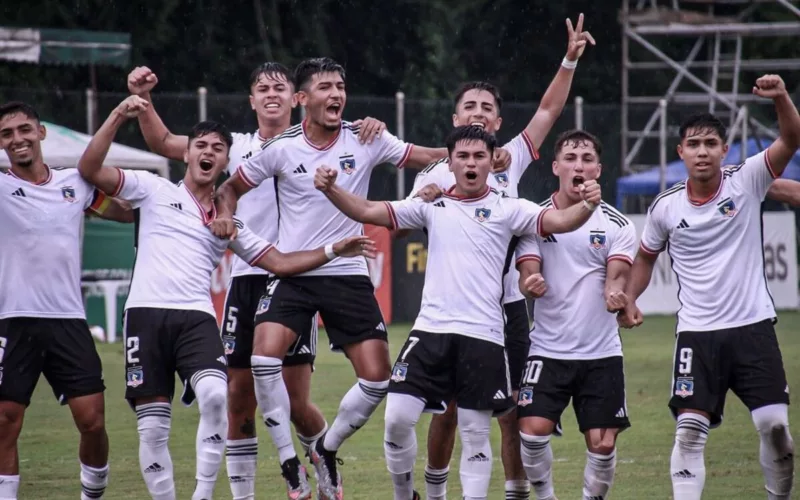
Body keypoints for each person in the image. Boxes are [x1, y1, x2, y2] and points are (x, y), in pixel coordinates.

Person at [77, 95, 375, 500]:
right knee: (153, 425)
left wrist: (333, 250)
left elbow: (282, 263)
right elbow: (89, 169)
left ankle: (205, 495)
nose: (208, 152)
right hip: (145, 316)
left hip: (197, 319)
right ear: (188, 154)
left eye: (217, 149)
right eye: (200, 145)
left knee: (220, 397)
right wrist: (117, 115)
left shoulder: (228, 224)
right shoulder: (151, 189)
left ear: (225, 163)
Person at [314, 125, 603, 500]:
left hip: (483, 336)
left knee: (474, 433)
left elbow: (561, 221)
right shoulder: (431, 206)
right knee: (397, 419)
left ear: (490, 162)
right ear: (449, 163)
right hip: (429, 331)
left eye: (479, 156)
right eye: (462, 156)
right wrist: (331, 189)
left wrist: (589, 204)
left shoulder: (510, 209)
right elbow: (370, 210)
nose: (470, 162)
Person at [211, 56, 452, 500]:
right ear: (302, 98)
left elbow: (426, 157)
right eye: (325, 87)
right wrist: (225, 216)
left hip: (347, 271)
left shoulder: (366, 137)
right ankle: (289, 464)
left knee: (379, 379)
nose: (336, 94)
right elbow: (228, 188)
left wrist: (462, 158)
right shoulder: (281, 147)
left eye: (340, 86)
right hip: (297, 270)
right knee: (263, 360)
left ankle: (325, 447)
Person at [407, 14, 595, 500]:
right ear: (454, 120)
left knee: (510, 408)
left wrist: (568, 59)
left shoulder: (513, 153)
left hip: (507, 309)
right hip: (455, 309)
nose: (477, 111)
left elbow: (550, 109)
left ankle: (515, 491)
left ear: (498, 121)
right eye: (468, 105)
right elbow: (428, 217)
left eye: (486, 107)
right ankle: (435, 491)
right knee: (447, 409)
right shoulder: (436, 172)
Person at [619, 74, 799, 500]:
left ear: (724, 149)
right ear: (680, 151)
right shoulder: (666, 207)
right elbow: (645, 257)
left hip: (754, 329)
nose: (702, 152)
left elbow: (791, 138)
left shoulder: (748, 179)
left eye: (711, 144)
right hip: (697, 336)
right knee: (689, 433)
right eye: (694, 145)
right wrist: (628, 299)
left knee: (775, 430)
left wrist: (781, 98)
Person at [0, 101, 133, 500]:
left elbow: (124, 213)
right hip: (12, 319)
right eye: (6, 134)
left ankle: (91, 495)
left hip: (67, 320)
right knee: (5, 421)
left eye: (24, 129)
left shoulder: (76, 185)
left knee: (92, 421)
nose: (17, 139)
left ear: (41, 133)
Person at [513, 129, 635, 500]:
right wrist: (530, 282)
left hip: (601, 353)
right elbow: (527, 271)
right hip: (548, 350)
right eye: (570, 158)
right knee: (531, 432)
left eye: (586, 159)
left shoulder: (618, 225)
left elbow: (616, 277)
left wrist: (617, 295)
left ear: (598, 168)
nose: (578, 165)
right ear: (556, 167)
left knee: (601, 444)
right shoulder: (535, 219)